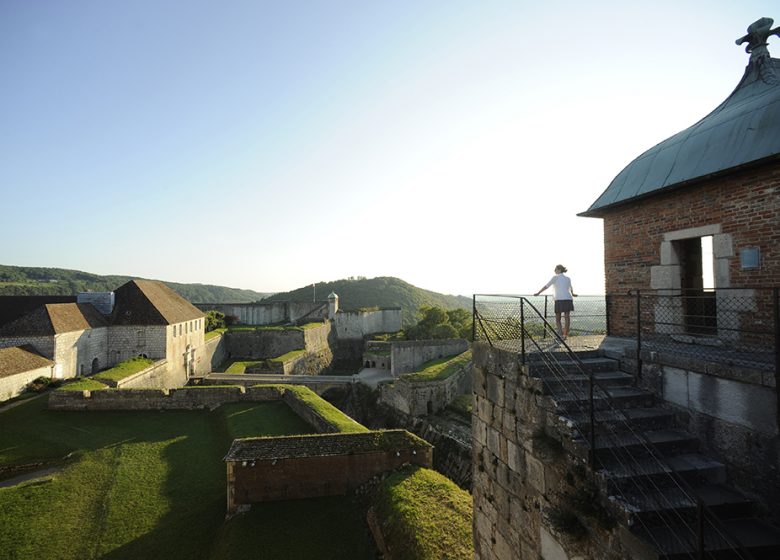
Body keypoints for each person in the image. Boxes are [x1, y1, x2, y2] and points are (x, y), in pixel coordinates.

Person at [534, 265, 577, 339]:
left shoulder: (555, 277)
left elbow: (546, 286)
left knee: (558, 319)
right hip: (568, 299)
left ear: (559, 270)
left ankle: (560, 335)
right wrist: (573, 294)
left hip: (559, 299)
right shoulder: (568, 278)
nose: (554, 271)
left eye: (555, 269)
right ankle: (565, 335)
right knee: (567, 318)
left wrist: (538, 293)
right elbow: (570, 288)